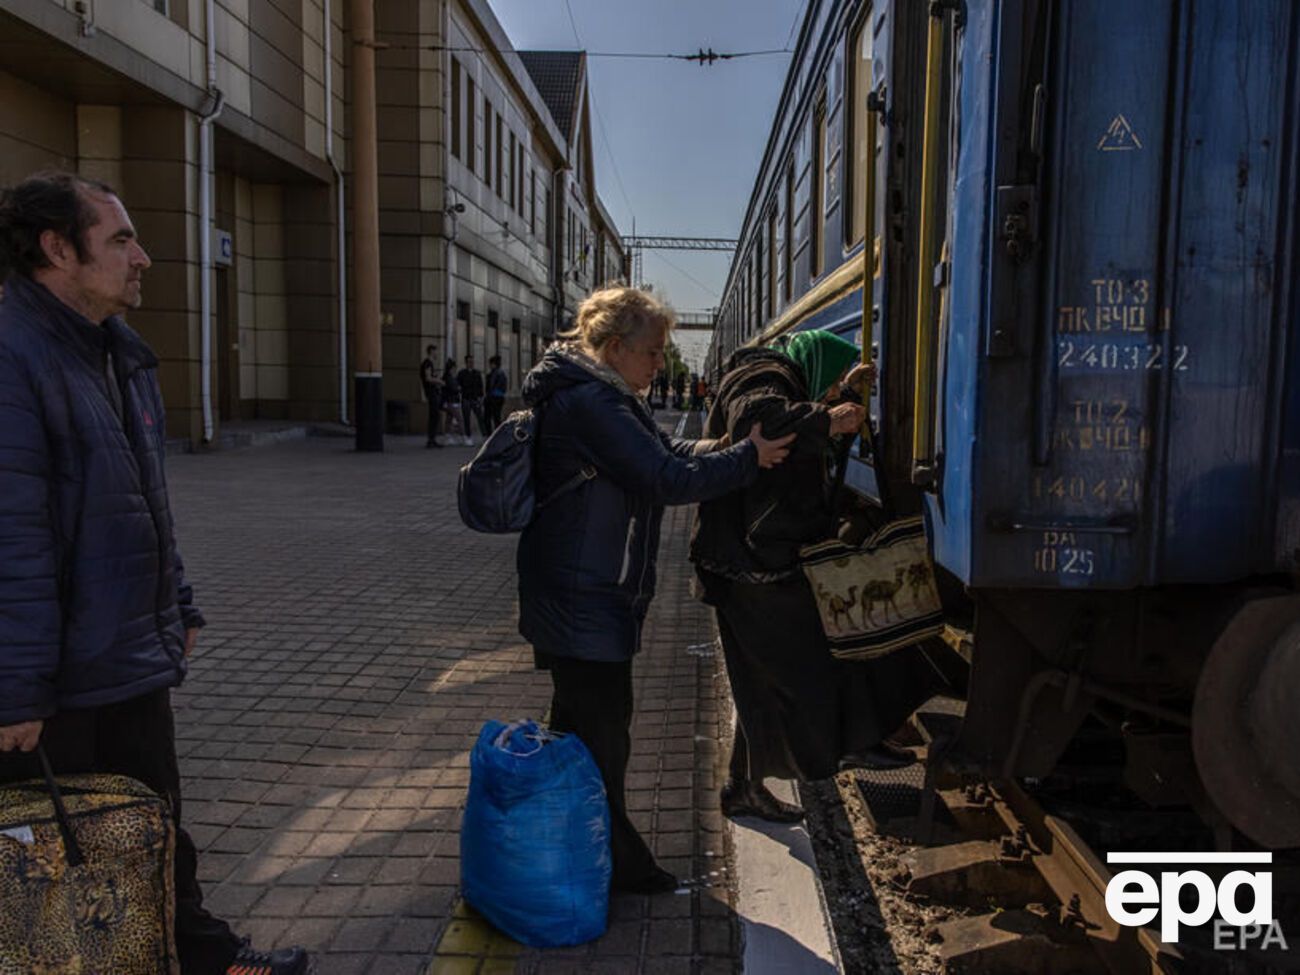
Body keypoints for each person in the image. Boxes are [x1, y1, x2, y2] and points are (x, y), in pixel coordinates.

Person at [0, 171, 308, 975]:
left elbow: (140, 500)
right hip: (57, 680)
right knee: (55, 862)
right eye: (121, 240)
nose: (143, 257)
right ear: (56, 249)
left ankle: (202, 956)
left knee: (153, 828)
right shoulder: (13, 358)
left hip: (127, 652)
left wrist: (179, 601)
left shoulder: (115, 354)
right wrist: (16, 689)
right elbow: (12, 535)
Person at [516, 286, 795, 894]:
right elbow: (665, 477)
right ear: (616, 348)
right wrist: (746, 458)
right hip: (581, 596)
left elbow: (666, 450)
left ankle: (564, 848)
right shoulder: (593, 402)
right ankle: (622, 867)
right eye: (652, 351)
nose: (659, 363)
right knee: (603, 737)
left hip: (584, 591)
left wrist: (728, 448)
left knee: (578, 728)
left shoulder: (610, 395)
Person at [689, 329, 918, 824]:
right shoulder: (762, 374)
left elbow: (789, 418)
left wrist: (841, 394)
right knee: (810, 660)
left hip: (755, 557)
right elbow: (757, 419)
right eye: (830, 383)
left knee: (766, 677)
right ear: (814, 366)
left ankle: (746, 787)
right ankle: (844, 744)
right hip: (748, 562)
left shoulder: (779, 378)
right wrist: (828, 419)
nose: (830, 394)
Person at [457, 353, 486, 444]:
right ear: (466, 363)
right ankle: (468, 437)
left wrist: (481, 397)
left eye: (472, 362)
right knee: (466, 418)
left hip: (475, 399)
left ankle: (484, 436)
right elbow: (458, 385)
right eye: (469, 362)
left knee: (480, 417)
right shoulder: (461, 373)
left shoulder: (477, 373)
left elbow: (480, 386)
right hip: (466, 398)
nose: (471, 363)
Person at [420, 342, 443, 447]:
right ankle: (431, 439)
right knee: (434, 415)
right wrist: (439, 381)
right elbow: (428, 378)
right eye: (435, 351)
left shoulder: (429, 363)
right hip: (431, 392)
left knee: (435, 415)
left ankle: (432, 439)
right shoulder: (427, 363)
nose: (437, 353)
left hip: (432, 392)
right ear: (431, 352)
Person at [441, 357, 463, 443]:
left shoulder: (449, 377)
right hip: (451, 401)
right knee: (459, 419)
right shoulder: (449, 377)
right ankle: (463, 436)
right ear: (452, 368)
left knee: (449, 419)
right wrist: (458, 388)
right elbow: (453, 388)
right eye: (454, 368)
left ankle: (448, 437)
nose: (455, 369)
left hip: (450, 401)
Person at [484, 353, 508, 431]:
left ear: (493, 364)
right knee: (496, 417)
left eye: (490, 364)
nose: (490, 366)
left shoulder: (495, 373)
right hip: (499, 397)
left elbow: (491, 385)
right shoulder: (502, 373)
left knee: (490, 416)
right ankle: (497, 432)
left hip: (493, 397)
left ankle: (491, 433)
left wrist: (489, 395)